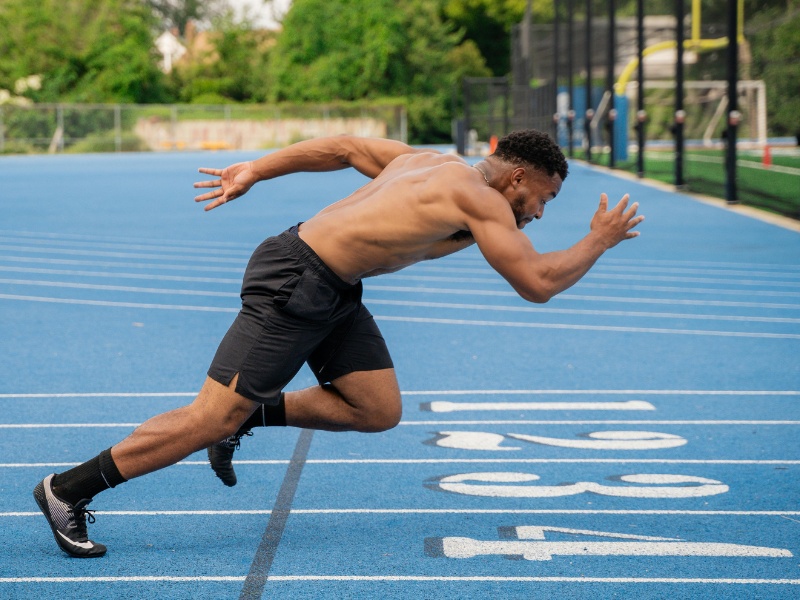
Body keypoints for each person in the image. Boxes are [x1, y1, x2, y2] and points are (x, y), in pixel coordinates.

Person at [33, 129, 643, 557]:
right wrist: (599, 240)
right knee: (208, 418)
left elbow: (347, 146)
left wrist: (256, 168)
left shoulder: (427, 161)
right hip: (297, 279)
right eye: (545, 197)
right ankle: (68, 489)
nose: (540, 211)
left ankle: (251, 416)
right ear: (517, 176)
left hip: (332, 286)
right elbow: (536, 283)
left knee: (377, 410)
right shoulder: (480, 198)